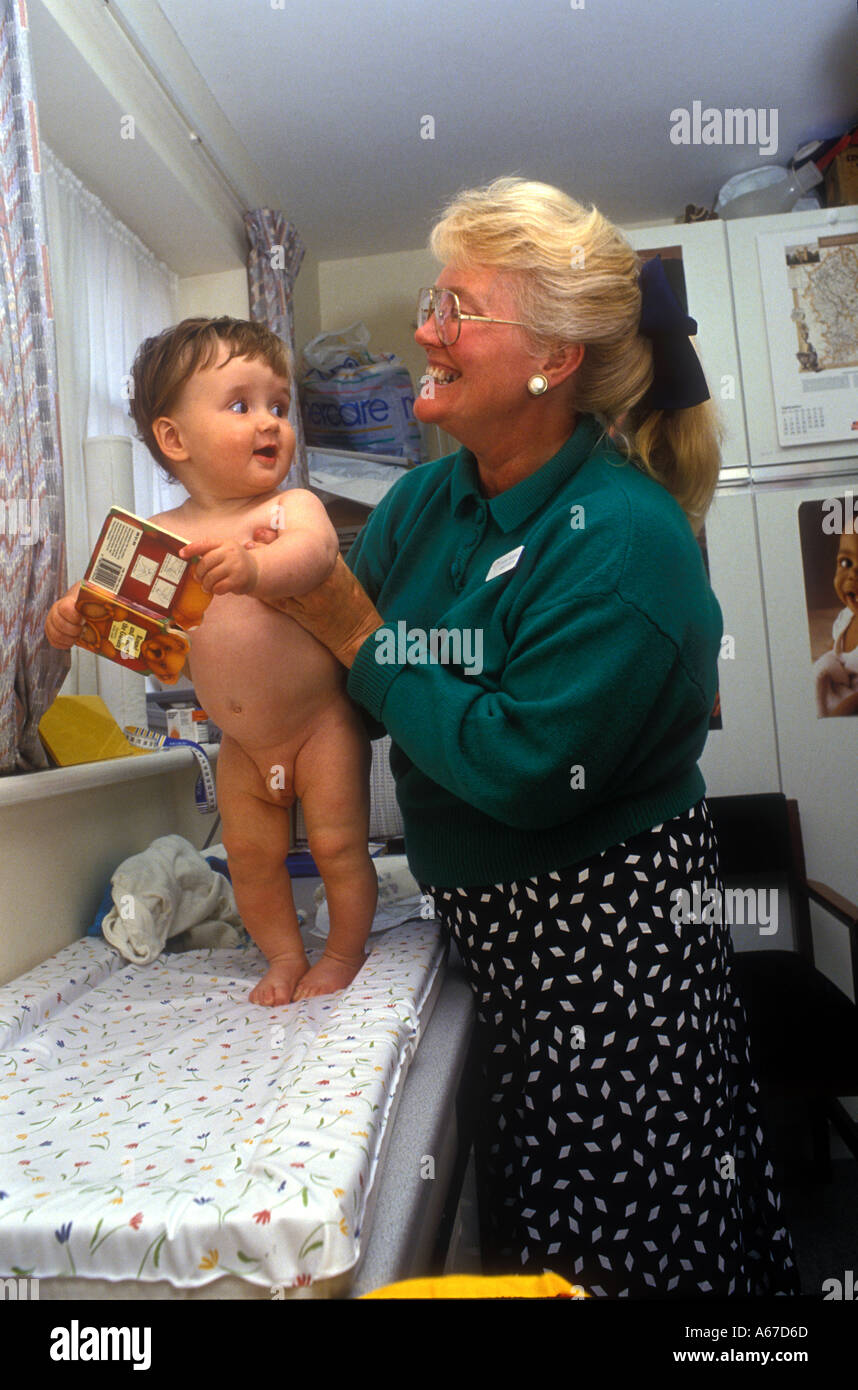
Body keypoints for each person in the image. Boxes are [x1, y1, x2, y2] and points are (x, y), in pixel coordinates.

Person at [256, 177, 801, 1298]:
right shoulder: (427, 505)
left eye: (457, 309)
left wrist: (354, 628)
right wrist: (219, 629)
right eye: (430, 302)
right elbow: (355, 690)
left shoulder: (628, 540)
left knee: (625, 1248)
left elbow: (524, 767)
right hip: (494, 941)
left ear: (552, 357)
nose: (423, 331)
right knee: (526, 1237)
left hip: (611, 949)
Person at [45, 317, 377, 1005]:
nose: (270, 422)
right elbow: (112, 605)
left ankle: (343, 952)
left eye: (278, 407)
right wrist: (71, 613)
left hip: (319, 728)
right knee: (251, 862)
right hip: (243, 748)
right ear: (174, 440)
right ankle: (283, 956)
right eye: (241, 404)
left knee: (339, 847)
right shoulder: (160, 538)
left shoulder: (291, 507)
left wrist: (255, 568)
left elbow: (314, 557)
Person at [814, 528, 858, 716]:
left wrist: (837, 717)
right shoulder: (845, 618)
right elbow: (836, 647)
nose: (853, 574)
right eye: (846, 562)